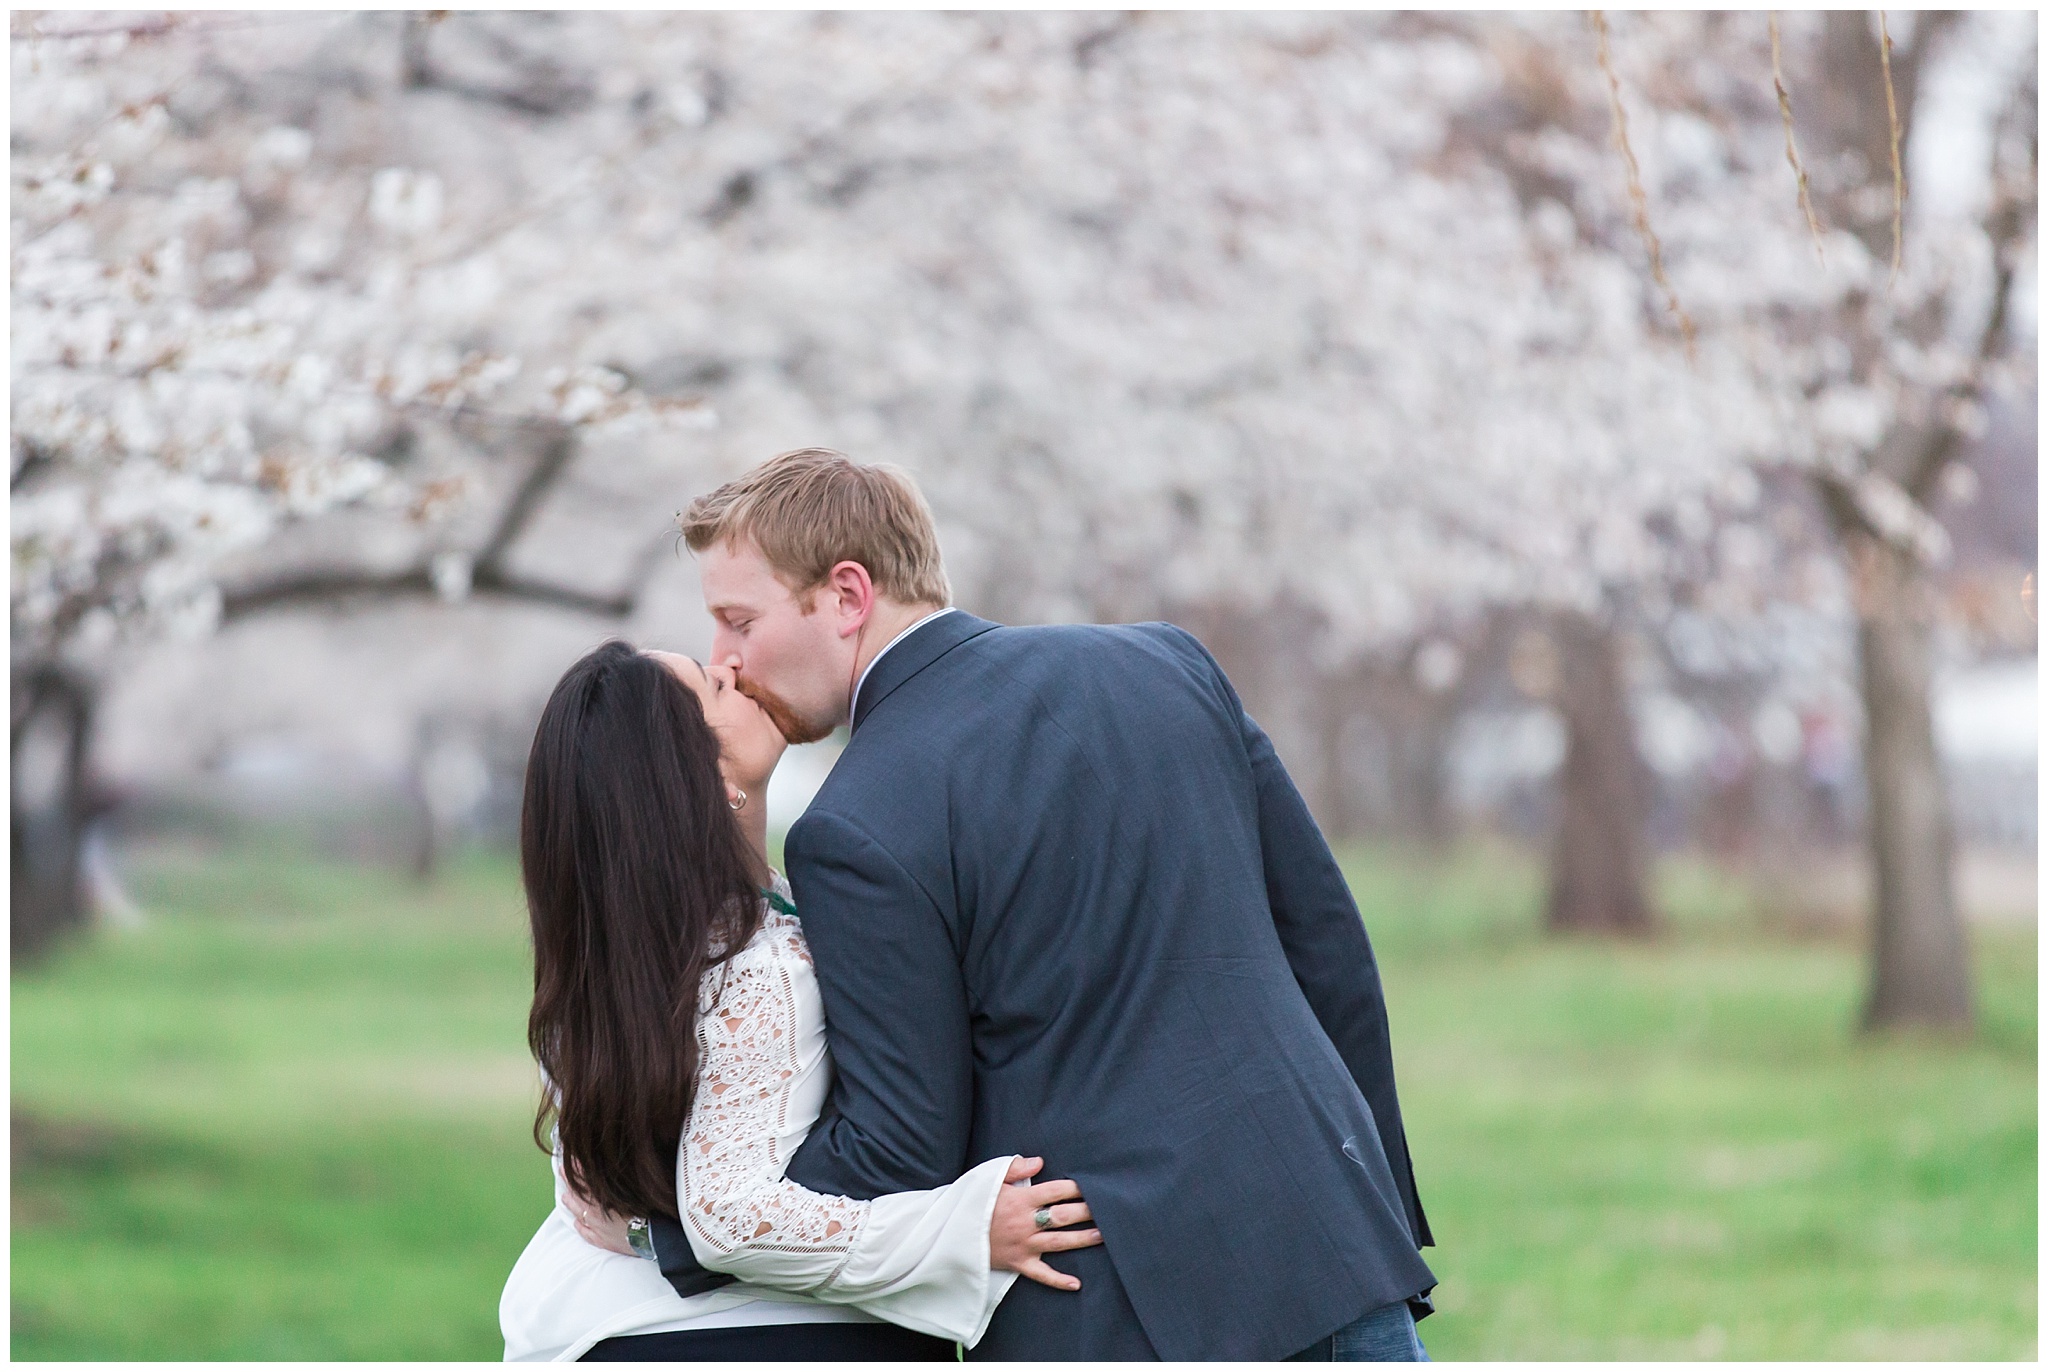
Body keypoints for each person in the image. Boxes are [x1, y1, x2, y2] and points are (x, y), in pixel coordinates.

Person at [601, 448, 1437, 1360]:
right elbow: (1331, 957)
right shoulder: (1166, 664)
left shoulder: (856, 823)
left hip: (1123, 1304)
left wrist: (681, 1231)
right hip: (1335, 1242)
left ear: (846, 596)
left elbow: (900, 1146)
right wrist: (1373, 1203)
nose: (724, 658)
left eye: (738, 620)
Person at [498, 641, 1101, 1361]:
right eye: (709, 687)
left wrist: (640, 1235)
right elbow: (729, 1214)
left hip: (592, 1325)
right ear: (700, 777)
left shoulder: (622, 960)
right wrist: (963, 1230)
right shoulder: (762, 965)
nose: (731, 665)